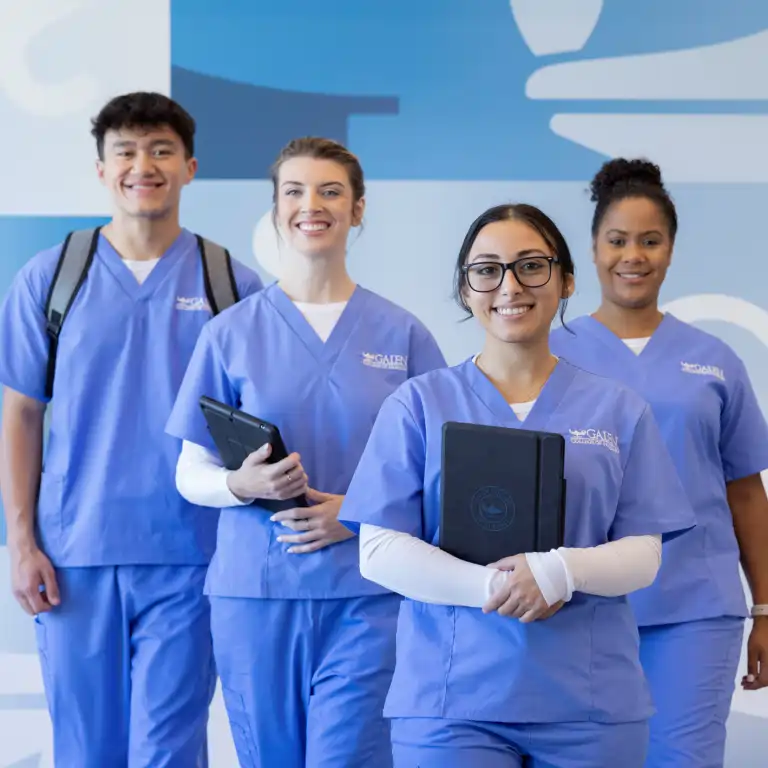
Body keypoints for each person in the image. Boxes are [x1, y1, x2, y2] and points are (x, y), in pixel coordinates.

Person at [339, 203, 697, 768]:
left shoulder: (619, 409)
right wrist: (497, 589)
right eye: (487, 270)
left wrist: (559, 573)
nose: (510, 285)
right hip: (451, 703)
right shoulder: (418, 405)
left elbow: (644, 554)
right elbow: (379, 550)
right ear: (465, 290)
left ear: (566, 280)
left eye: (532, 266)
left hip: (590, 706)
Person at [0, 92, 264, 768]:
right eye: (125, 151)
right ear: (101, 169)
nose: (142, 165)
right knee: (85, 753)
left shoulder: (229, 282)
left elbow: (263, 421)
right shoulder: (53, 278)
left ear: (190, 166)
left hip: (191, 554)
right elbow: (22, 412)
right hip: (73, 556)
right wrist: (22, 541)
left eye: (160, 150)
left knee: (168, 753)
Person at [165, 136, 446, 768]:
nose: (310, 204)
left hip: (368, 594)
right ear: (275, 210)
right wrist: (243, 486)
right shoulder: (230, 333)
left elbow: (441, 475)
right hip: (254, 596)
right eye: (293, 191)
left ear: (358, 208)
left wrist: (356, 510)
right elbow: (190, 471)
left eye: (330, 191)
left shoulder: (402, 334)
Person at [550, 158, 768, 767]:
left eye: (651, 240)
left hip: (694, 610)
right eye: (617, 240)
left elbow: (746, 493)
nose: (633, 255)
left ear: (671, 250)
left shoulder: (715, 361)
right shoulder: (550, 355)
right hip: (578, 610)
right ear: (591, 250)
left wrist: (767, 609)